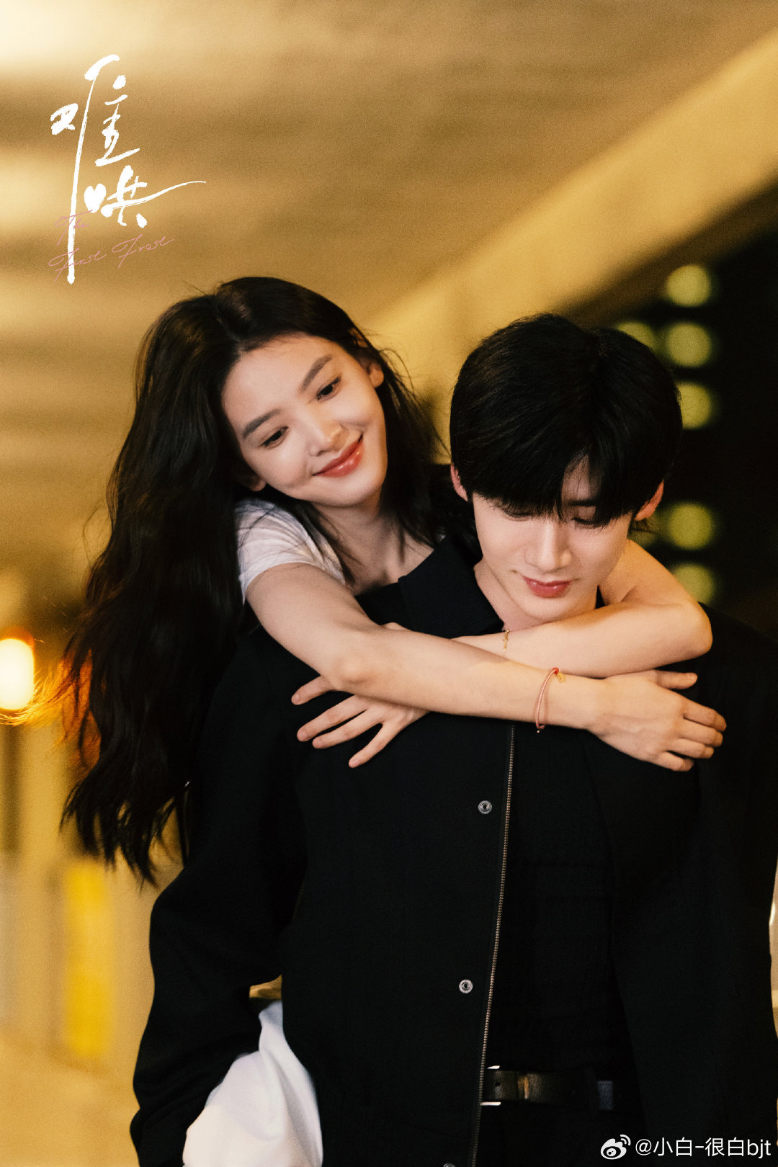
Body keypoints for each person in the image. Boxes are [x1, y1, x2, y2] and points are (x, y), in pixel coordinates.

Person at [131, 314, 777, 1167]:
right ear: (463, 480)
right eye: (518, 509)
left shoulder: (730, 681)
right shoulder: (317, 678)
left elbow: (730, 963)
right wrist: (178, 1134)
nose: (549, 553)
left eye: (589, 517)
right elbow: (209, 942)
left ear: (647, 499)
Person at [56, 277, 717, 891]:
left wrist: (425, 683)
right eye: (275, 434)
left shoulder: (485, 501)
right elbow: (357, 661)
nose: (325, 435)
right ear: (246, 468)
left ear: (366, 361)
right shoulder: (261, 540)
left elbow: (680, 623)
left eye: (326, 388)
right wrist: (600, 707)